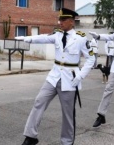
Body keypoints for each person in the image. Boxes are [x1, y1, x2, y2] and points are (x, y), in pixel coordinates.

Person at [15, 8, 95, 145]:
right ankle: (30, 136)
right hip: (54, 76)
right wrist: (26, 38)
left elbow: (91, 59)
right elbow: (43, 38)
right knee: (39, 102)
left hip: (70, 79)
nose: (60, 22)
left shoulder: (81, 38)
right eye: (60, 19)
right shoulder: (57, 35)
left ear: (71, 21)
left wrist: (80, 75)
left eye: (63, 20)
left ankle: (67, 142)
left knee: (67, 113)